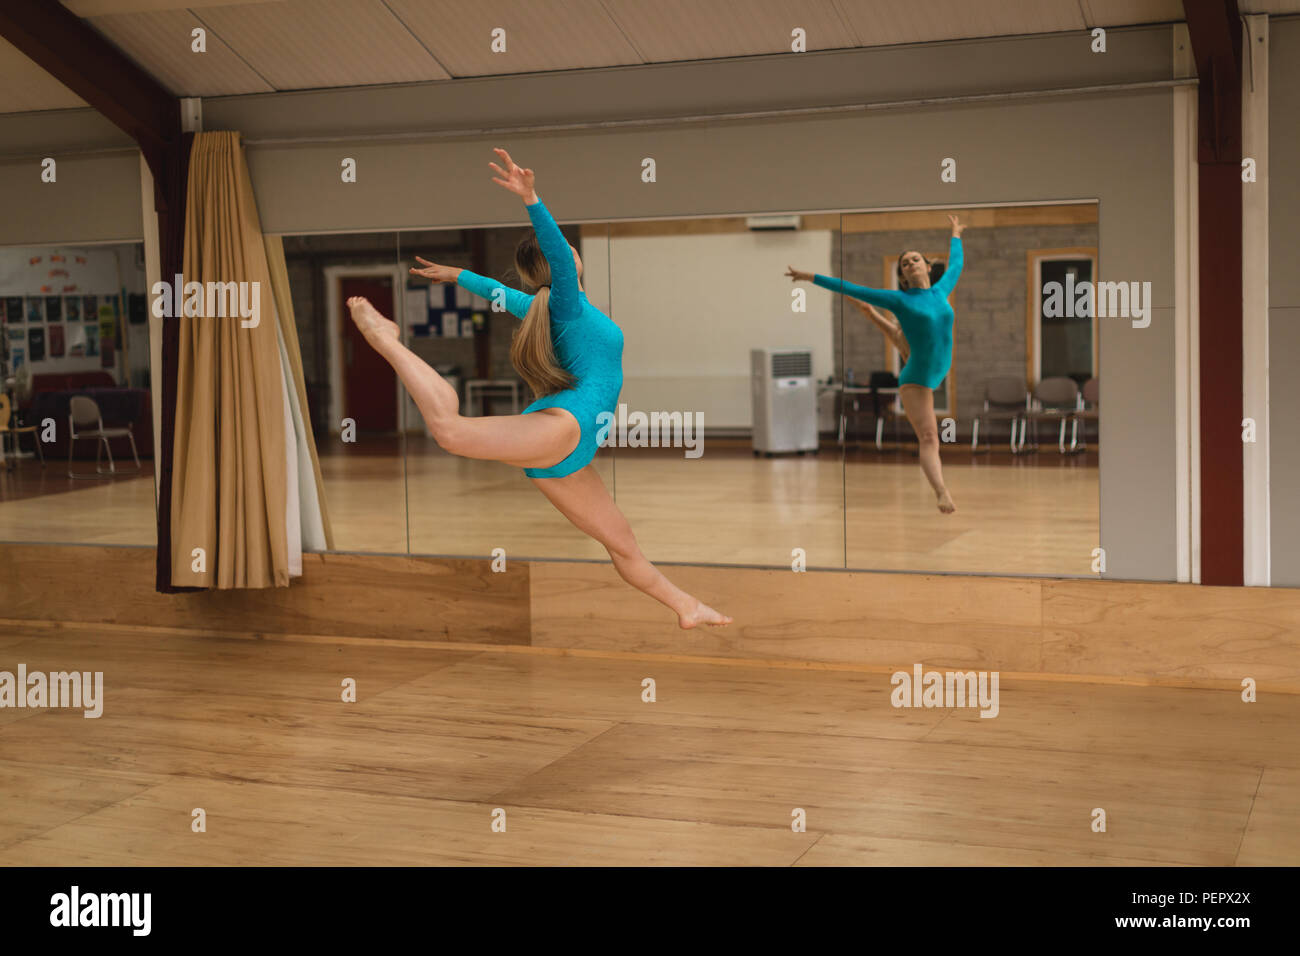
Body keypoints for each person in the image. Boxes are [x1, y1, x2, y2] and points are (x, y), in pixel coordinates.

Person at [347, 149, 730, 629]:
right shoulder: (564, 305)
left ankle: (687, 607)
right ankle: (385, 340)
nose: (568, 253)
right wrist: (531, 199)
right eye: (564, 251)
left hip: (576, 448)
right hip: (566, 426)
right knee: (449, 430)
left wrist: (457, 275)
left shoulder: (543, 308)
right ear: (565, 262)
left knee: (623, 544)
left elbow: (496, 293)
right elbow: (543, 260)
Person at [786, 215, 965, 513]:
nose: (910, 264)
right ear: (903, 276)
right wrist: (809, 278)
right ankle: (941, 492)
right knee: (930, 436)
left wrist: (956, 234)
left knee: (897, 335)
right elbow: (850, 287)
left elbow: (957, 265)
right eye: (905, 263)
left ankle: (895, 335)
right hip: (916, 378)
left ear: (928, 267)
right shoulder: (899, 300)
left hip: (935, 370)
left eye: (915, 259)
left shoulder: (940, 291)